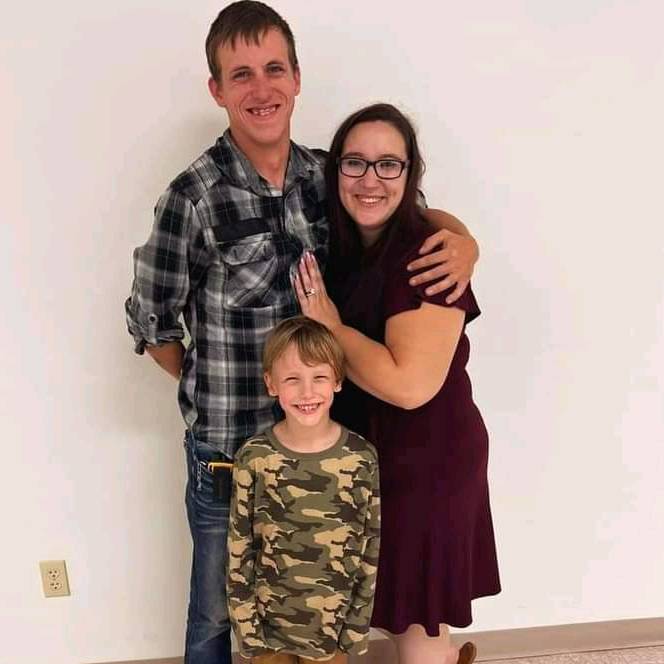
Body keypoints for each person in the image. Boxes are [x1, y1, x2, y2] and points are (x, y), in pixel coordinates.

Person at [125, 3, 479, 663]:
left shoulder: (329, 178)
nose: (260, 88)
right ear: (217, 90)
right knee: (218, 615)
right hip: (232, 453)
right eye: (241, 74)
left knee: (315, 610)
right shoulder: (192, 197)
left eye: (274, 69)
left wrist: (465, 241)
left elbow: (409, 215)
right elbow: (153, 321)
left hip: (323, 445)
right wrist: (215, 386)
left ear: (296, 78)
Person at [295, 103, 501, 664]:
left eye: (389, 164)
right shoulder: (349, 243)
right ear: (334, 170)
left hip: (427, 463)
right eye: (355, 163)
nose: (370, 179)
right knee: (387, 610)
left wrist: (331, 328)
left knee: (416, 624)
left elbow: (411, 386)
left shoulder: (427, 257)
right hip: (371, 458)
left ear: (410, 175)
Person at [226, 316, 380, 664]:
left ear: (337, 380)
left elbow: (369, 546)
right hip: (267, 634)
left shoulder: (361, 458)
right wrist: (248, 631)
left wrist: (355, 631)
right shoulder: (254, 457)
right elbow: (239, 549)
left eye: (319, 377)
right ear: (271, 384)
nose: (307, 392)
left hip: (332, 634)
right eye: (292, 379)